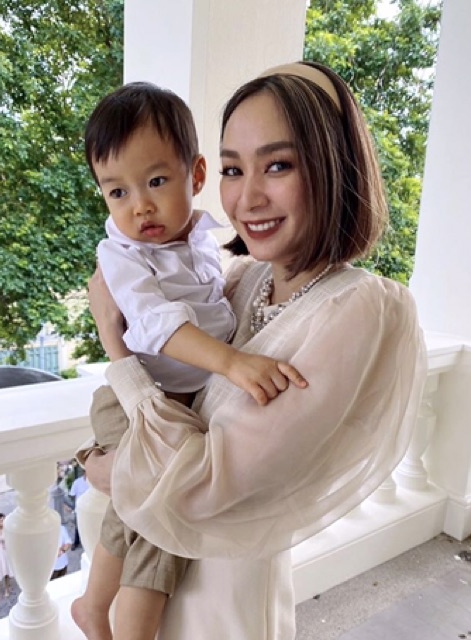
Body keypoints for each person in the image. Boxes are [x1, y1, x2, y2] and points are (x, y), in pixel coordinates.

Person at [84, 61, 427, 640]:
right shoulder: (244, 279)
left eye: (278, 165)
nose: (248, 196)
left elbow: (203, 488)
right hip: (160, 593)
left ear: (332, 165)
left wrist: (115, 365)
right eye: (232, 169)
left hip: (225, 609)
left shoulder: (362, 309)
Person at [71, 82, 305, 640]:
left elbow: (211, 306)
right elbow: (155, 323)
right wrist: (232, 363)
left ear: (195, 176)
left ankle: (92, 608)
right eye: (117, 192)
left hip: (177, 402)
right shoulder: (121, 254)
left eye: (155, 182)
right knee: (159, 520)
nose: (139, 206)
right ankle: (111, 621)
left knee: (137, 511)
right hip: (134, 398)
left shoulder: (202, 241)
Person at [69, 467, 89, 549]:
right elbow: (72, 495)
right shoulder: (77, 482)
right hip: (79, 510)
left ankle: (87, 544)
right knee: (78, 527)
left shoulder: (94, 483)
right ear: (84, 472)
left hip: (89, 510)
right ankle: (76, 542)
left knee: (88, 527)